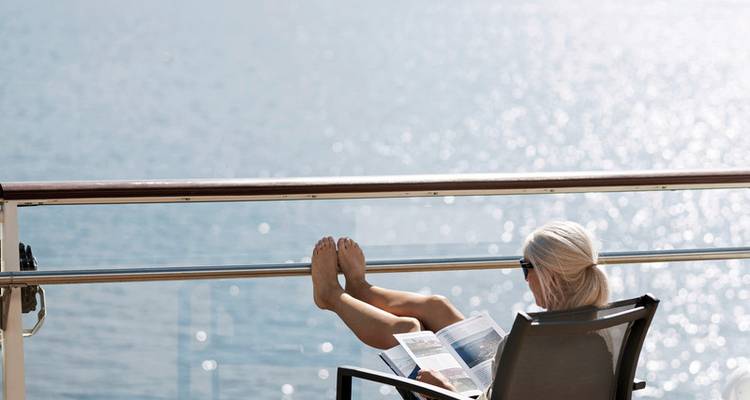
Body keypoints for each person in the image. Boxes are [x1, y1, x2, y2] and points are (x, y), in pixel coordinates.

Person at [310, 221, 610, 398]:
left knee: (409, 330)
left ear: (549, 277)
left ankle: (331, 295)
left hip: (477, 393)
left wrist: (441, 389)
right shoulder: (605, 329)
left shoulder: (526, 344)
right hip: (512, 383)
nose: (525, 277)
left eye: (525, 267)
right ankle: (361, 288)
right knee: (438, 308)